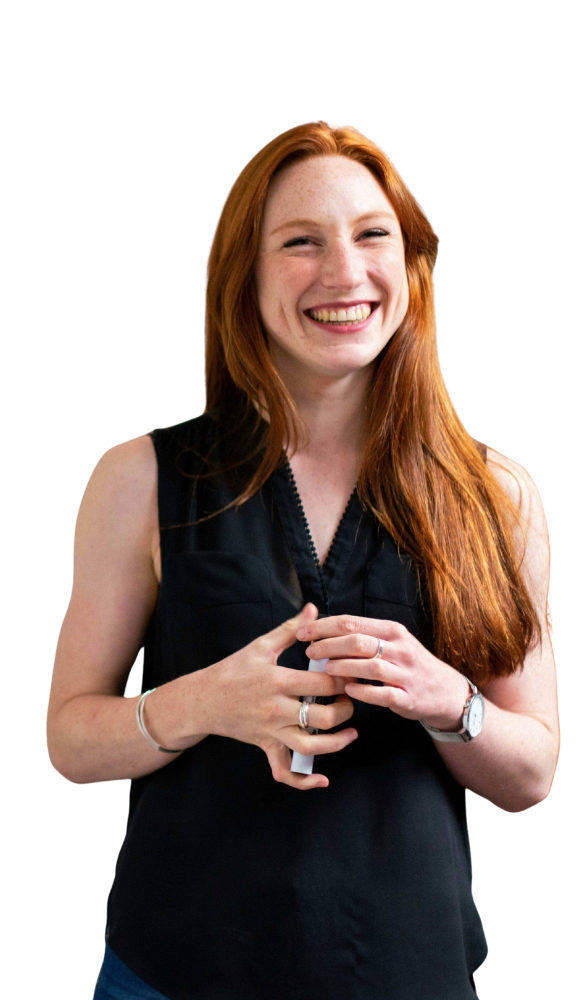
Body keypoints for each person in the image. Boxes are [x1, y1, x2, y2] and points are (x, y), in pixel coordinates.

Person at [47, 122, 558, 1000]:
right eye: (301, 243)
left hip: (411, 974)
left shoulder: (497, 493)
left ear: (412, 266)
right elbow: (68, 742)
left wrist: (449, 701)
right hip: (173, 977)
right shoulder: (139, 478)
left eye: (371, 236)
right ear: (243, 274)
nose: (344, 273)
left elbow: (531, 773)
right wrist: (202, 702)